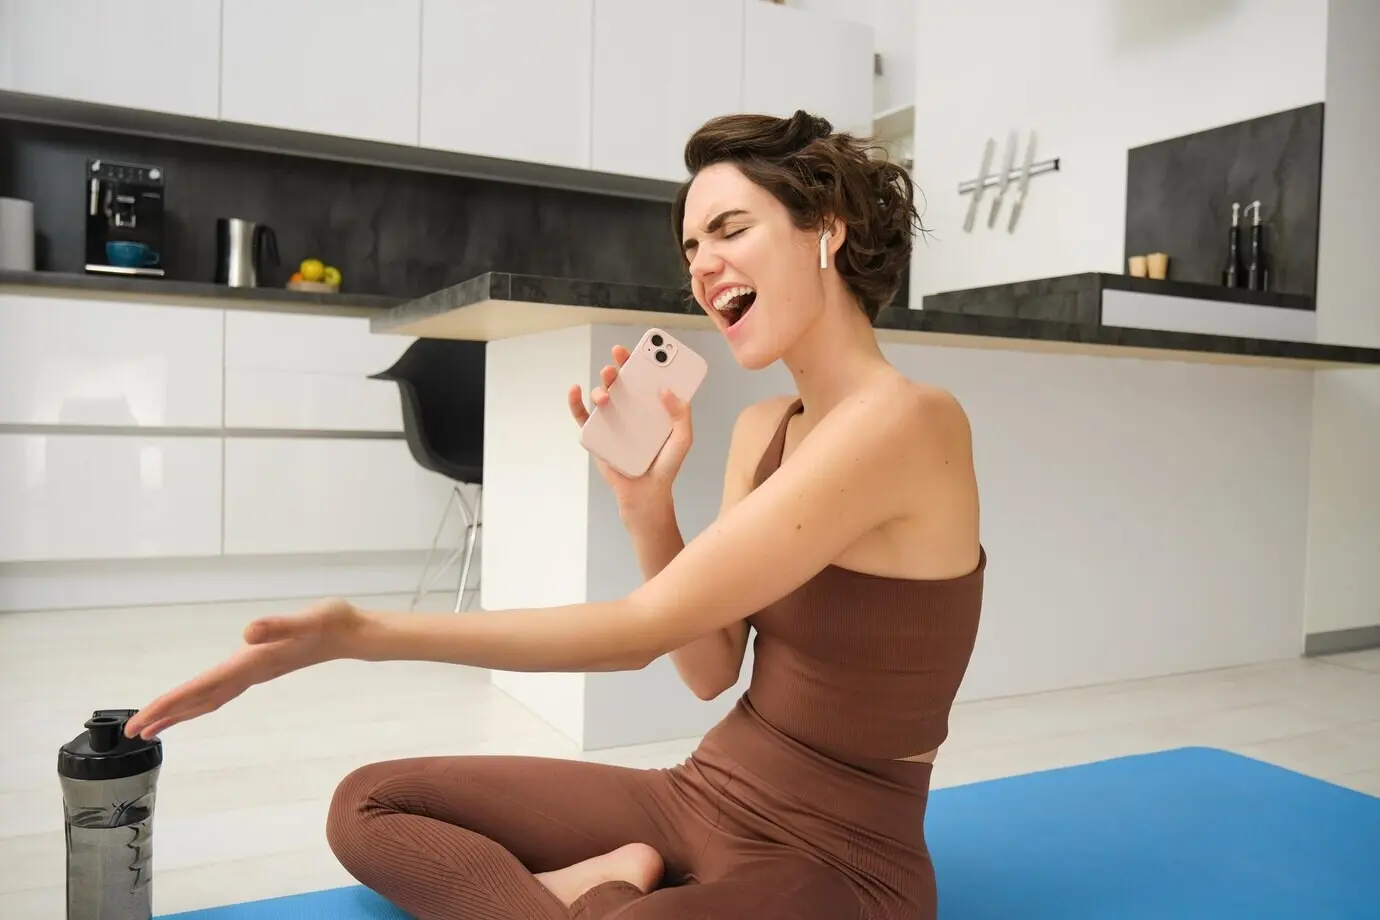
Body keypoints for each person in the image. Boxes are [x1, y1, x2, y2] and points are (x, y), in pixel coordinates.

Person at [123, 110, 985, 920]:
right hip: (699, 791)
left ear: (826, 224)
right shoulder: (764, 431)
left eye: (730, 230)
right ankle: (604, 889)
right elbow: (710, 668)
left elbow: (640, 632)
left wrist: (362, 633)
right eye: (691, 246)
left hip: (839, 858)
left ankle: (599, 891)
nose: (702, 266)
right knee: (370, 805)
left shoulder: (909, 420)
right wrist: (645, 506)